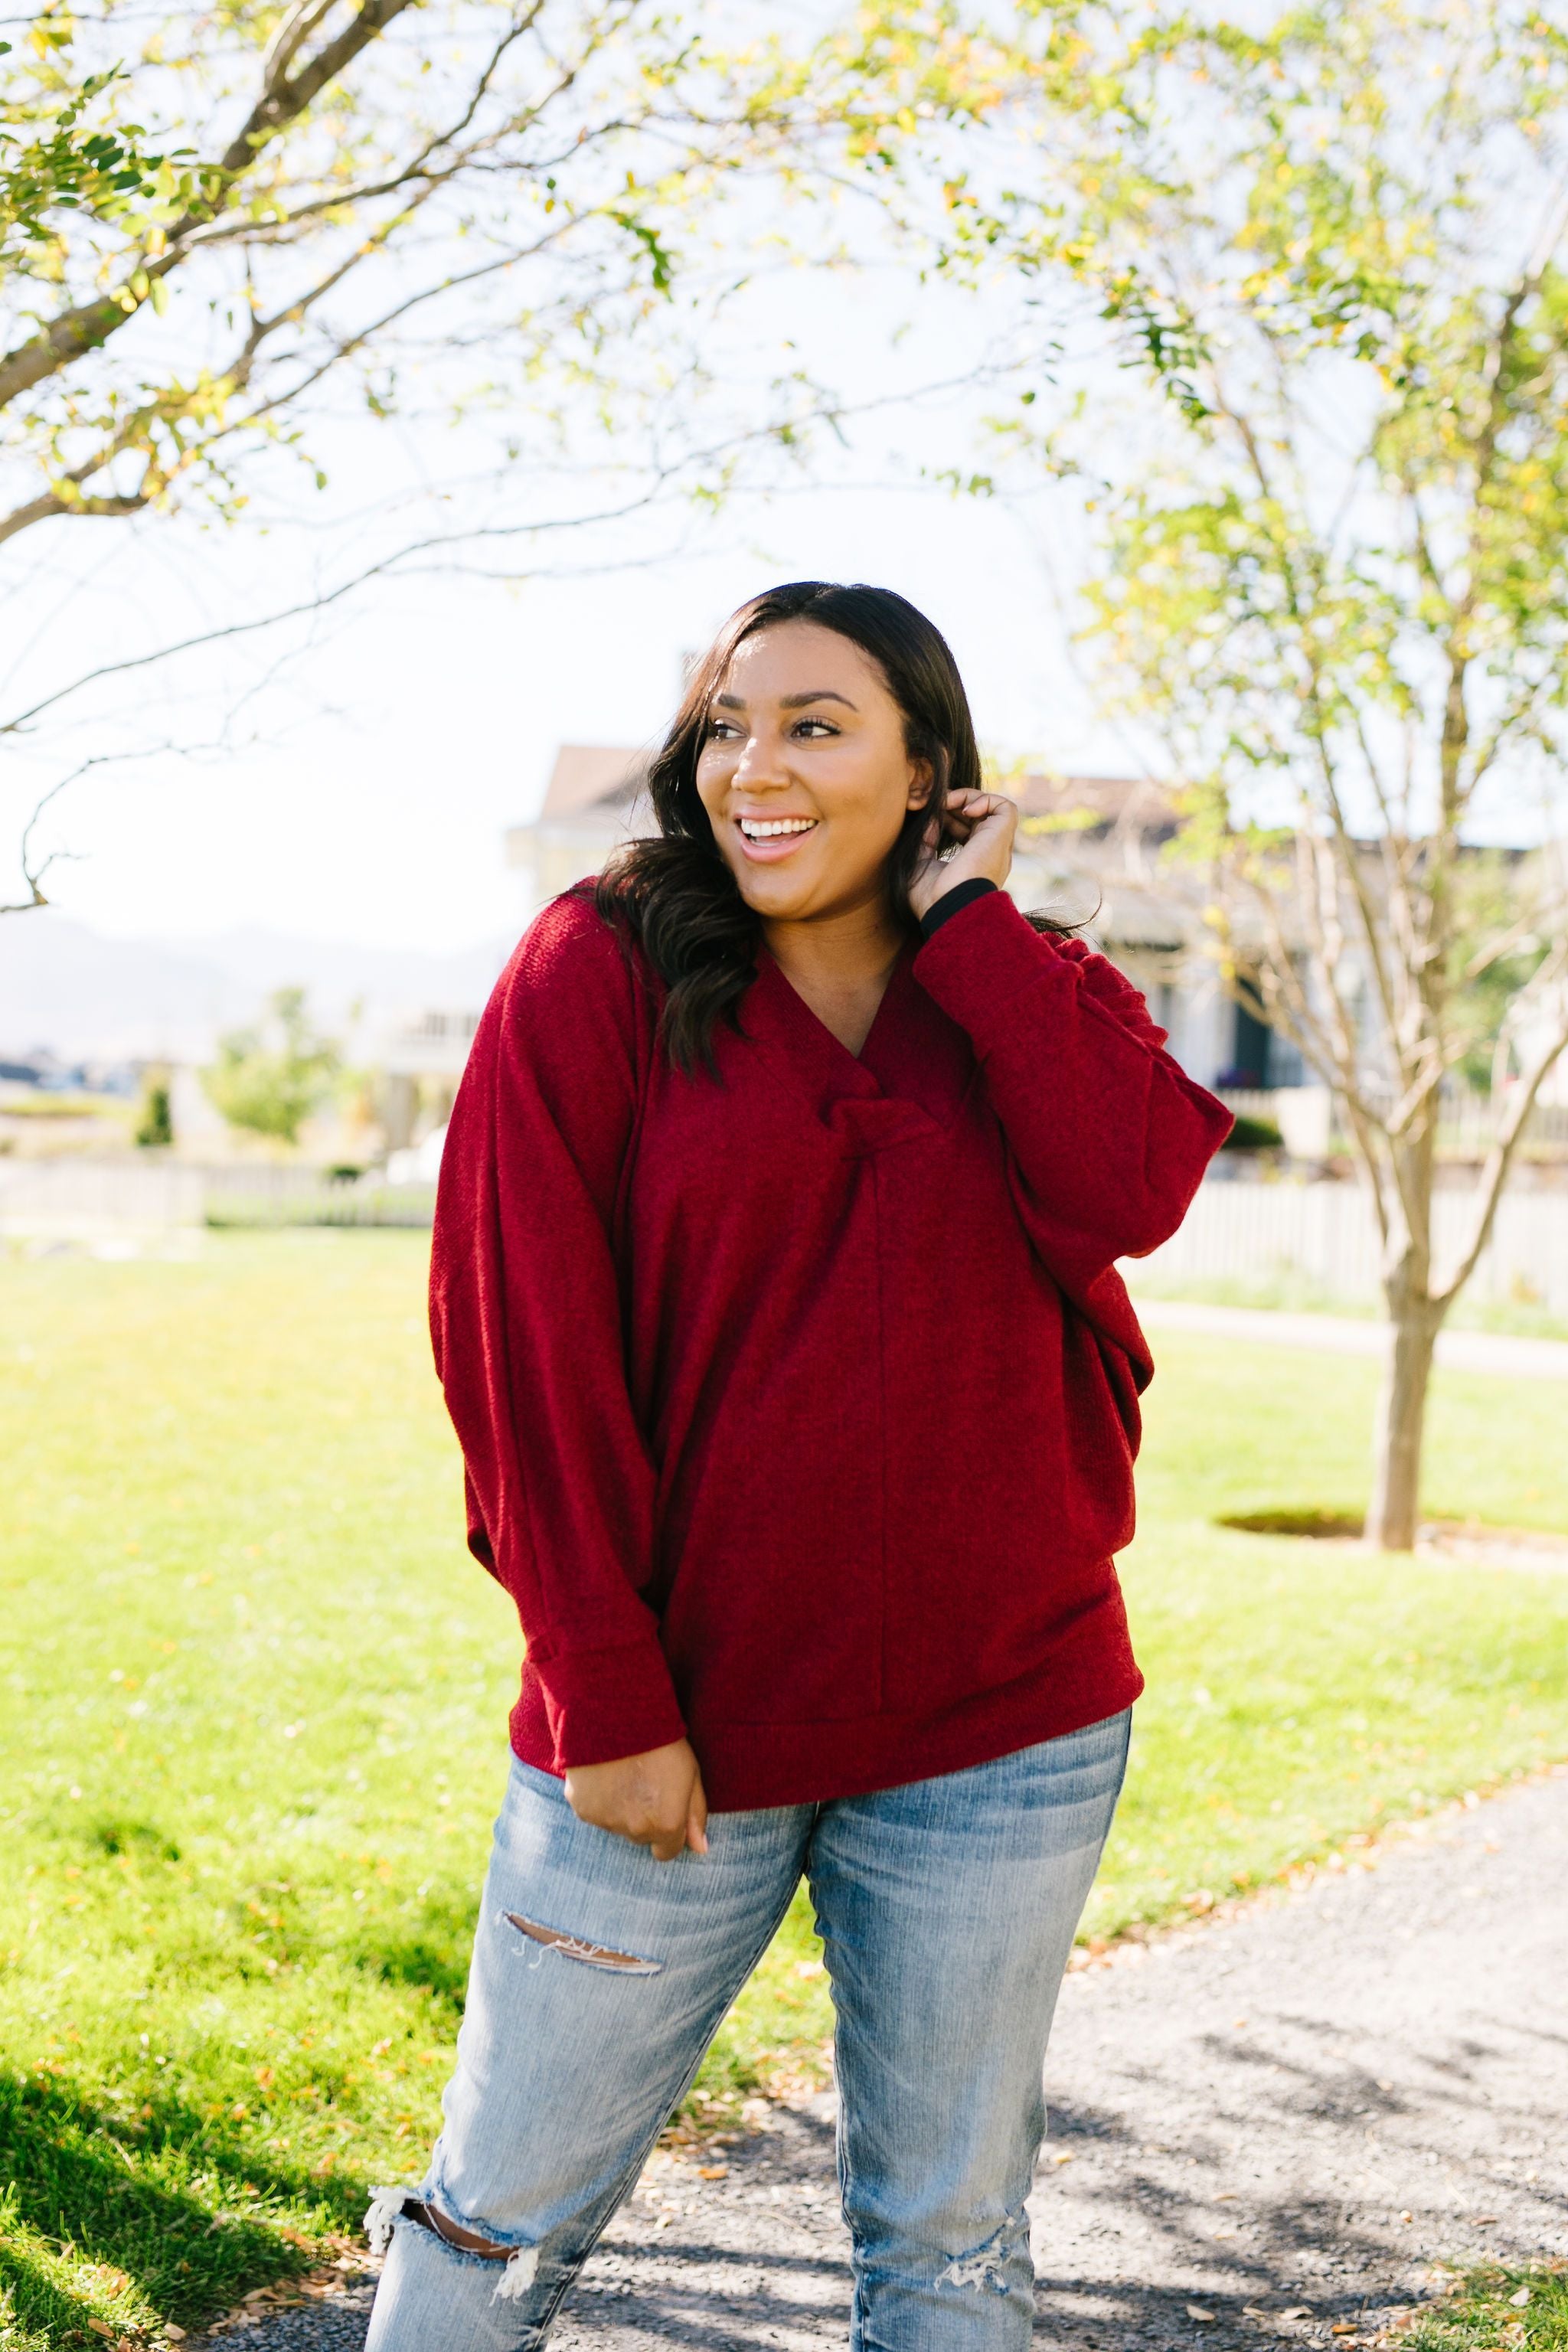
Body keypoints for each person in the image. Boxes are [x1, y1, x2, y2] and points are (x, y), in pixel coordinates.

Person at [363, 580, 1232, 2352]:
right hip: (669, 1731)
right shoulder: (595, 966)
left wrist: (973, 924)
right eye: (728, 726)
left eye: (815, 727)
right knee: (495, 2231)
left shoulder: (1021, 982)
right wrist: (601, 1687)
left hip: (1008, 1730)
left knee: (953, 2247)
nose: (753, 767)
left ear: (931, 775)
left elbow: (1133, 1185)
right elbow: (516, 1344)